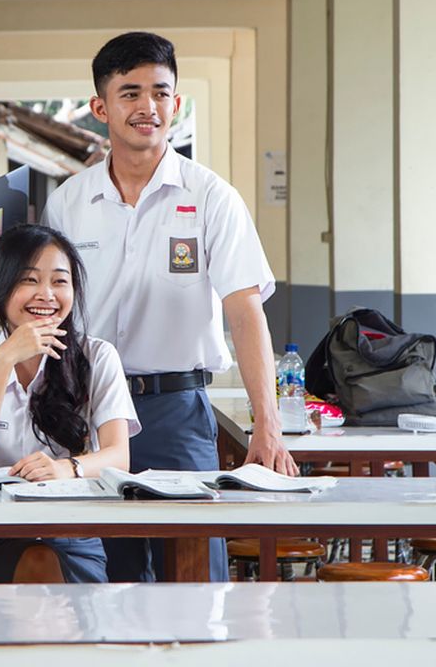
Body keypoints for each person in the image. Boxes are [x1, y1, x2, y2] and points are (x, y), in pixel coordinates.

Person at [41, 31, 297, 584]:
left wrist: (266, 423)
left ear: (176, 104)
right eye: (130, 93)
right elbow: (46, 309)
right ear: (100, 107)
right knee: (109, 578)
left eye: (160, 92)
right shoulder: (68, 202)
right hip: (92, 410)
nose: (147, 107)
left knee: (194, 573)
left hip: (177, 409)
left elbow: (244, 311)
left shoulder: (211, 197)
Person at [0, 224, 140, 583]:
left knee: (42, 561)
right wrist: (3, 359)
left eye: (60, 282)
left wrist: (67, 468)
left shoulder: (97, 356)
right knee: (36, 564)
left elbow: (118, 455)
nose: (46, 294)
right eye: (29, 280)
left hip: (68, 532)